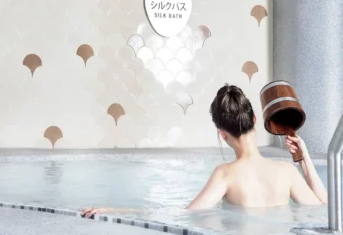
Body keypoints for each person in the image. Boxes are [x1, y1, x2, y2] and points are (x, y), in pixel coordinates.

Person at [81, 84, 327, 217]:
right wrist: (304, 160)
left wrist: (117, 210)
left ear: (221, 132)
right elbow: (323, 209)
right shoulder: (286, 172)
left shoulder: (225, 175)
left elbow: (183, 215)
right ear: (254, 120)